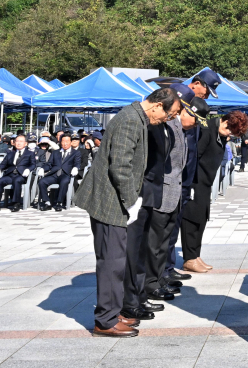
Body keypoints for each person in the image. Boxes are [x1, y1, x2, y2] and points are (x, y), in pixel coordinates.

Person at [74, 86, 177, 338]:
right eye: (169, 114)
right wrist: (131, 201)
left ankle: (113, 311)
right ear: (157, 105)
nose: (167, 119)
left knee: (116, 261)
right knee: (112, 262)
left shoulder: (136, 117)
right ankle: (105, 320)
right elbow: (121, 166)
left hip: (114, 200)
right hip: (109, 202)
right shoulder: (131, 120)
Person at [122, 86, 189, 322]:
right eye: (173, 112)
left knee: (142, 250)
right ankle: (132, 299)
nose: (172, 117)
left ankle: (140, 295)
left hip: (153, 191)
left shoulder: (163, 126)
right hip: (140, 193)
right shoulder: (145, 123)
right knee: (136, 250)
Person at [181, 107, 248, 273]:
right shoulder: (207, 129)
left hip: (206, 183)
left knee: (202, 218)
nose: (229, 135)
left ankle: (196, 255)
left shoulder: (220, 134)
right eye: (228, 131)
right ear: (225, 121)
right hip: (195, 182)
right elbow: (194, 156)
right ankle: (189, 258)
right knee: (192, 219)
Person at [142, 85, 193, 302]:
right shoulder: (158, 123)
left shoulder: (173, 124)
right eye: (180, 108)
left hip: (174, 191)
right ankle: (151, 282)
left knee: (165, 241)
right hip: (160, 191)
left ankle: (160, 277)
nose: (179, 113)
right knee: (155, 242)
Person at [0, 135, 35, 212]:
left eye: (21, 141)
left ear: (25, 143)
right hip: (10, 175)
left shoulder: (30, 153)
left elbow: (33, 164)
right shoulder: (10, 153)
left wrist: (28, 169)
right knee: (0, 181)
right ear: (14, 143)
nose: (18, 143)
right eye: (17, 141)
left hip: (21, 175)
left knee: (17, 181)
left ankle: (16, 203)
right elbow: (3, 164)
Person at [40, 134, 84, 211]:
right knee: (42, 181)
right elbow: (49, 164)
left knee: (64, 182)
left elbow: (77, 163)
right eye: (63, 141)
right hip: (54, 174)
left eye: (67, 141)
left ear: (70, 142)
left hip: (65, 174)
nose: (65, 143)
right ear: (60, 142)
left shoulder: (76, 153)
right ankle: (47, 202)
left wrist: (75, 168)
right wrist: (43, 169)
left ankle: (59, 203)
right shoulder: (55, 152)